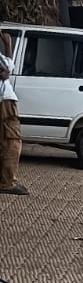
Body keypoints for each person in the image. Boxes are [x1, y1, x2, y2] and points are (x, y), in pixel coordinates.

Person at [0, 31, 26, 195]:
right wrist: (8, 44)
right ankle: (7, 182)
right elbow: (8, 67)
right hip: (4, 101)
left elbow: (6, 72)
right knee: (11, 141)